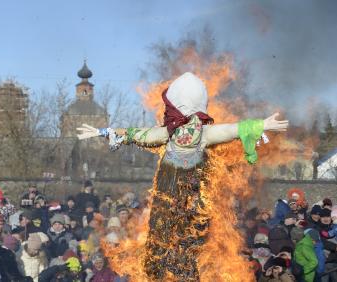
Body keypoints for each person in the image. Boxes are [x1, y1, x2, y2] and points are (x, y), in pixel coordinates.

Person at [77, 71, 289, 280]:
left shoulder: (201, 134)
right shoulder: (168, 134)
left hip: (191, 197)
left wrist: (259, 125)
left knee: (186, 245)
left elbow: (231, 130)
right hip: (167, 197)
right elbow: (134, 134)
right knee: (161, 245)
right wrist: (102, 132)